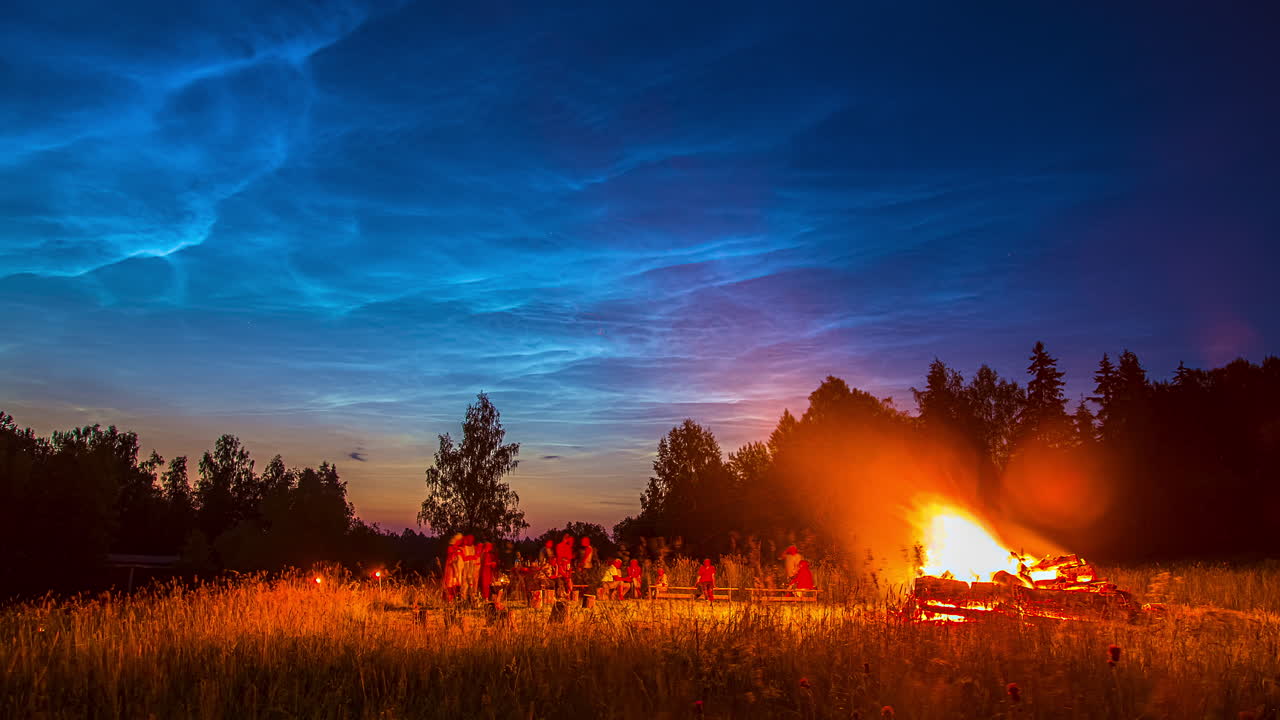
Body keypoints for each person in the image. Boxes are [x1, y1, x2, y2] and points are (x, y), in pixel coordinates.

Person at [442, 533, 463, 602]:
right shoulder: (451, 547)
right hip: (451, 568)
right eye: (459, 540)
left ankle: (454, 599)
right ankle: (448, 599)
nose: (460, 542)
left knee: (456, 584)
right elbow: (451, 559)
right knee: (450, 583)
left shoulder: (458, 549)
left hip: (456, 569)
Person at [460, 535, 480, 601]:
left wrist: (472, 557)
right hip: (466, 567)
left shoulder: (475, 547)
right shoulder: (463, 548)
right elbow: (464, 558)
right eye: (469, 539)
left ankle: (473, 598)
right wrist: (471, 557)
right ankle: (463, 598)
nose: (470, 540)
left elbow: (477, 556)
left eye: (472, 539)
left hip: (473, 567)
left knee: (474, 583)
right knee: (465, 583)